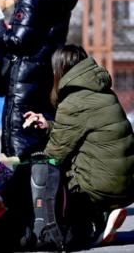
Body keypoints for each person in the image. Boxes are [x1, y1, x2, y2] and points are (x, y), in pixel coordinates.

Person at [24, 45, 134, 247]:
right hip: (125, 184)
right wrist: (49, 125)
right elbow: (83, 129)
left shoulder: (73, 102)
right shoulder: (104, 93)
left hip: (101, 186)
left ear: (60, 69)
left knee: (48, 171)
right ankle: (102, 216)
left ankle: (73, 226)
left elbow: (55, 154)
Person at [0, 0, 78, 160]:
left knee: (22, 149)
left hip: (24, 80)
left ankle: (26, 189)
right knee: (42, 143)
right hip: (49, 73)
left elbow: (18, 41)